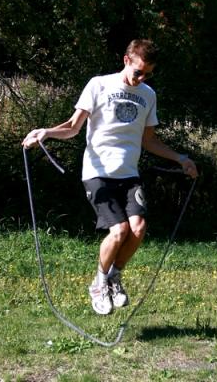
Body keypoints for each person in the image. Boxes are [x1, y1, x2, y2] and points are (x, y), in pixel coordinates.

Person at [22, 39, 198, 315]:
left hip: (129, 174)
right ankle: (99, 283)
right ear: (126, 60)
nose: (142, 78)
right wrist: (46, 132)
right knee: (118, 232)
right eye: (139, 71)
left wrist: (181, 158)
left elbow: (149, 141)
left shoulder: (148, 95)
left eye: (148, 73)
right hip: (98, 173)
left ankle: (114, 276)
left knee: (138, 229)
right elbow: (72, 127)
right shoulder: (99, 85)